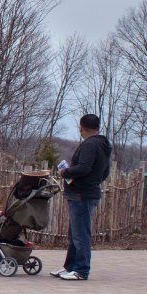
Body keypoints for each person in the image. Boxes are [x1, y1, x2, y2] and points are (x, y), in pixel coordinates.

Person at [52, 113, 112, 281]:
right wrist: (95, 181)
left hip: (82, 194)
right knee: (74, 234)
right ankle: (70, 266)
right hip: (87, 192)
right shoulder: (103, 145)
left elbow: (84, 168)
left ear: (82, 127)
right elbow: (105, 171)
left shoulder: (90, 145)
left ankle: (81, 270)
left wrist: (66, 172)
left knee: (81, 235)